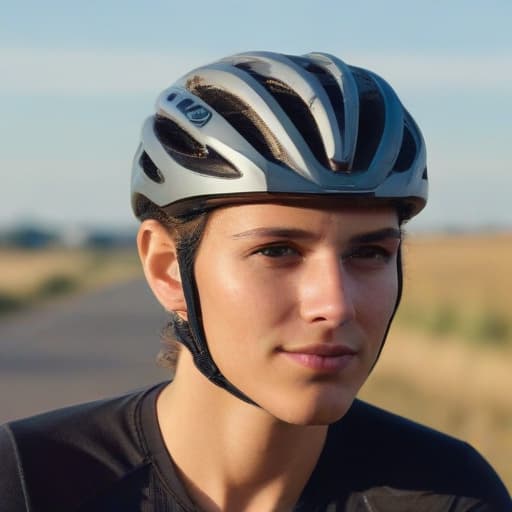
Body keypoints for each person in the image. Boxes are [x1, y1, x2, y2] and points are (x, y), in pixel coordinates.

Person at [1, 51, 510, 511]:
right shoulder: (27, 482)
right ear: (166, 267)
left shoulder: (447, 494)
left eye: (370, 252)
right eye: (277, 250)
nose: (334, 304)